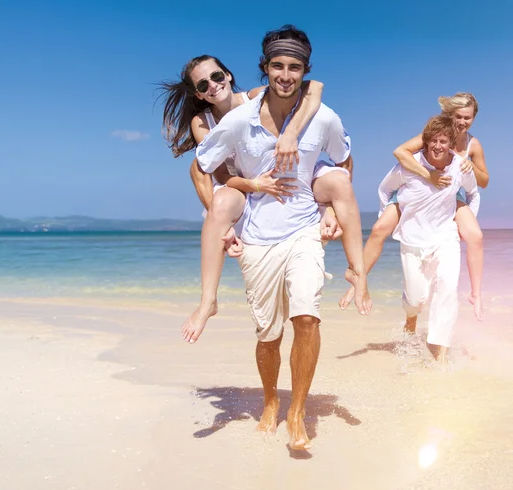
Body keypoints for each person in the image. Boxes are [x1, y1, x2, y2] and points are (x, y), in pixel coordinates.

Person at [195, 25, 369, 450]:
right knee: (268, 336)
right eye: (278, 66)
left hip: (305, 230)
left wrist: (328, 207)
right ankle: (271, 400)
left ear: (305, 72)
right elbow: (204, 166)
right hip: (258, 238)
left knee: (307, 318)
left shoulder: (323, 117)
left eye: (295, 67)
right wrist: (233, 205)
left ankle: (297, 411)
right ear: (265, 69)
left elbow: (345, 163)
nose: (286, 75)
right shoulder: (238, 121)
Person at [159, 56, 346, 345]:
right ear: (198, 93)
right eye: (203, 84)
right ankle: (208, 300)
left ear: (229, 76)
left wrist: (292, 134)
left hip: (284, 178)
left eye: (217, 76)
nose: (213, 86)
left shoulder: (257, 98)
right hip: (240, 187)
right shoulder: (202, 122)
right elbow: (221, 172)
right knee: (196, 167)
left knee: (326, 178)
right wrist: (255, 185)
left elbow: (314, 88)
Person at [340, 93, 489, 320]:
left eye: (467, 118)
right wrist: (429, 175)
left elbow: (484, 182)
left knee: (475, 236)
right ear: (450, 115)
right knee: (380, 229)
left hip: (451, 194)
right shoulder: (435, 135)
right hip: (417, 189)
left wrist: (470, 165)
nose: (462, 122)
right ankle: (357, 281)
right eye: (458, 116)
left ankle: (476, 295)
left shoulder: (473, 144)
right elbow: (400, 152)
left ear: (474, 118)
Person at [378, 114, 479, 362]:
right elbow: (385, 188)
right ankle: (410, 319)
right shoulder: (409, 165)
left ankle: (438, 354)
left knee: (447, 289)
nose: (437, 146)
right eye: (432, 141)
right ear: (425, 142)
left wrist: (463, 221)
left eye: (443, 141)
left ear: (451, 143)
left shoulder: (459, 166)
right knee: (415, 300)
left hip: (445, 238)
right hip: (412, 240)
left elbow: (473, 193)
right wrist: (390, 213)